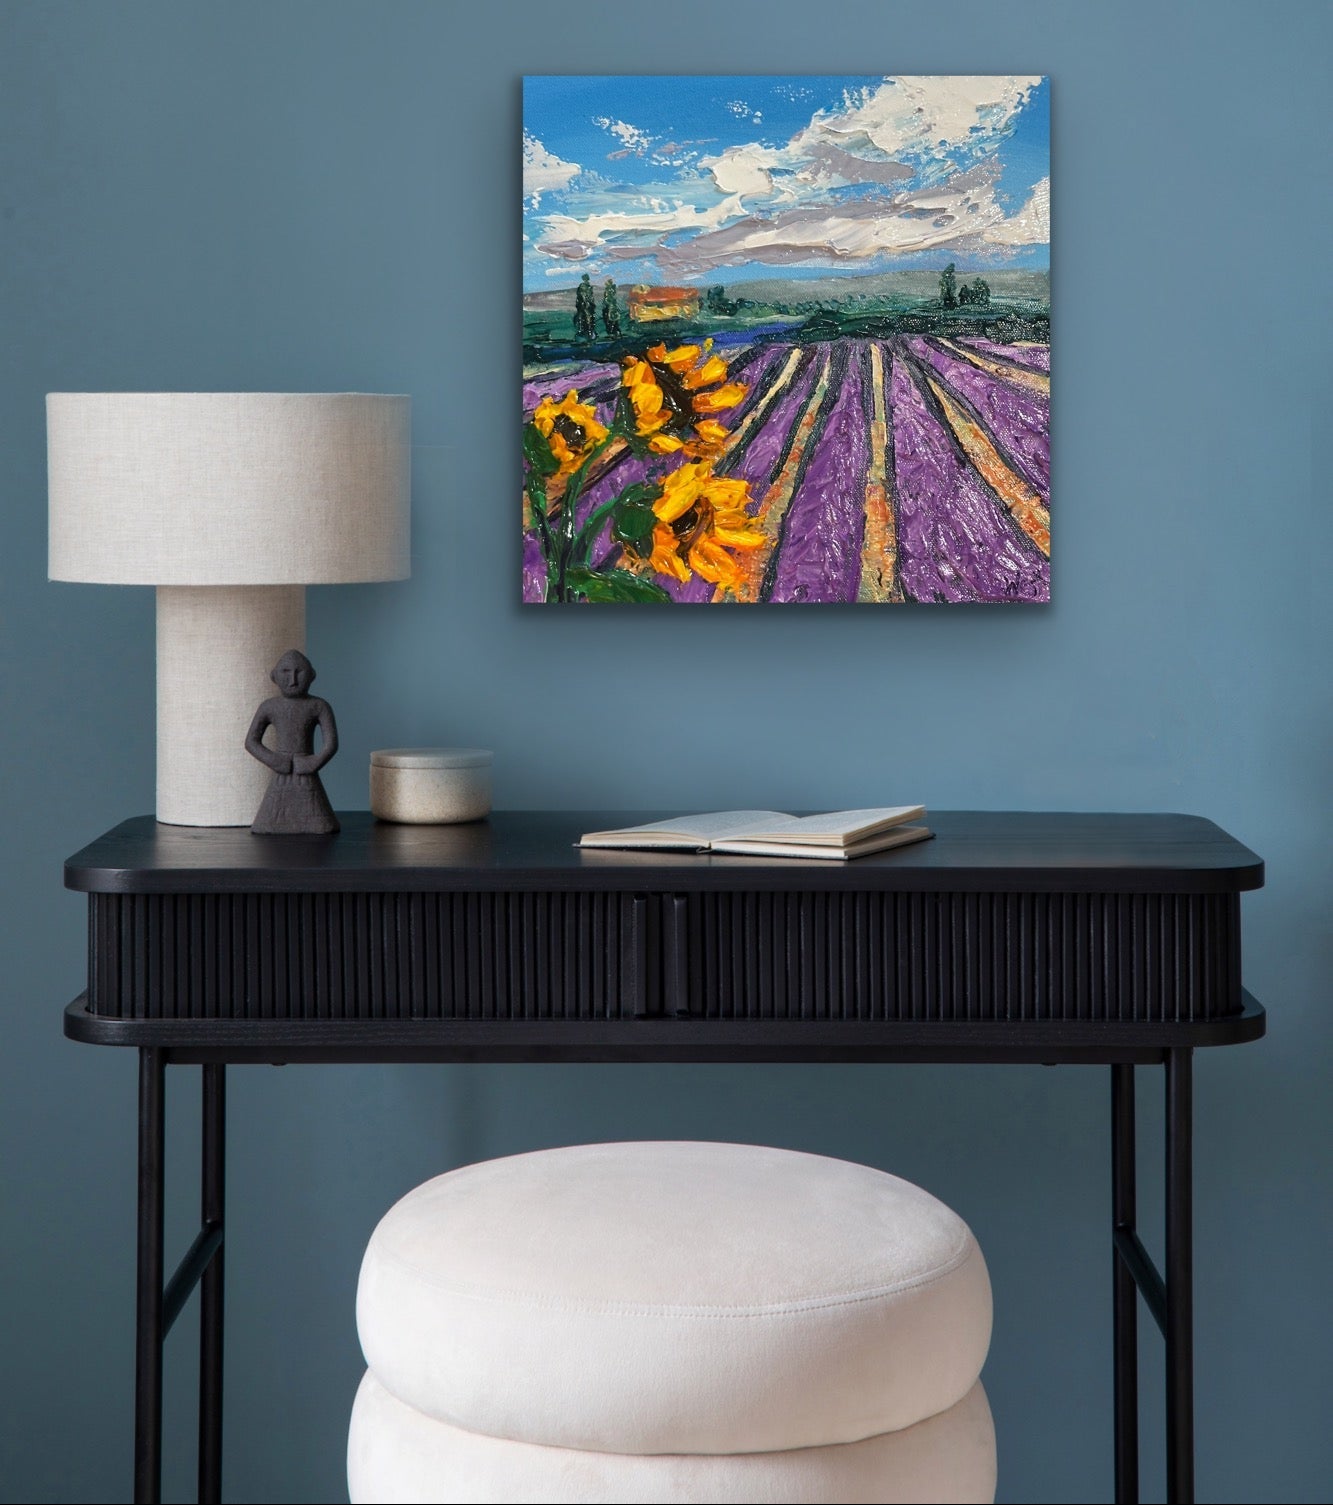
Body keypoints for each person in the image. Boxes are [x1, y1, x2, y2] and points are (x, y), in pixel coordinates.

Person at [245, 649, 340, 834]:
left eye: (299, 672)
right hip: (282, 769)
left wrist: (313, 762)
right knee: (271, 819)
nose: (293, 680)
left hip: (305, 770)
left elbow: (331, 744)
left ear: (312, 676)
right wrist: (275, 760)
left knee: (319, 822)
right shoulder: (269, 706)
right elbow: (251, 742)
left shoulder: (319, 706)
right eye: (286, 672)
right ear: (274, 676)